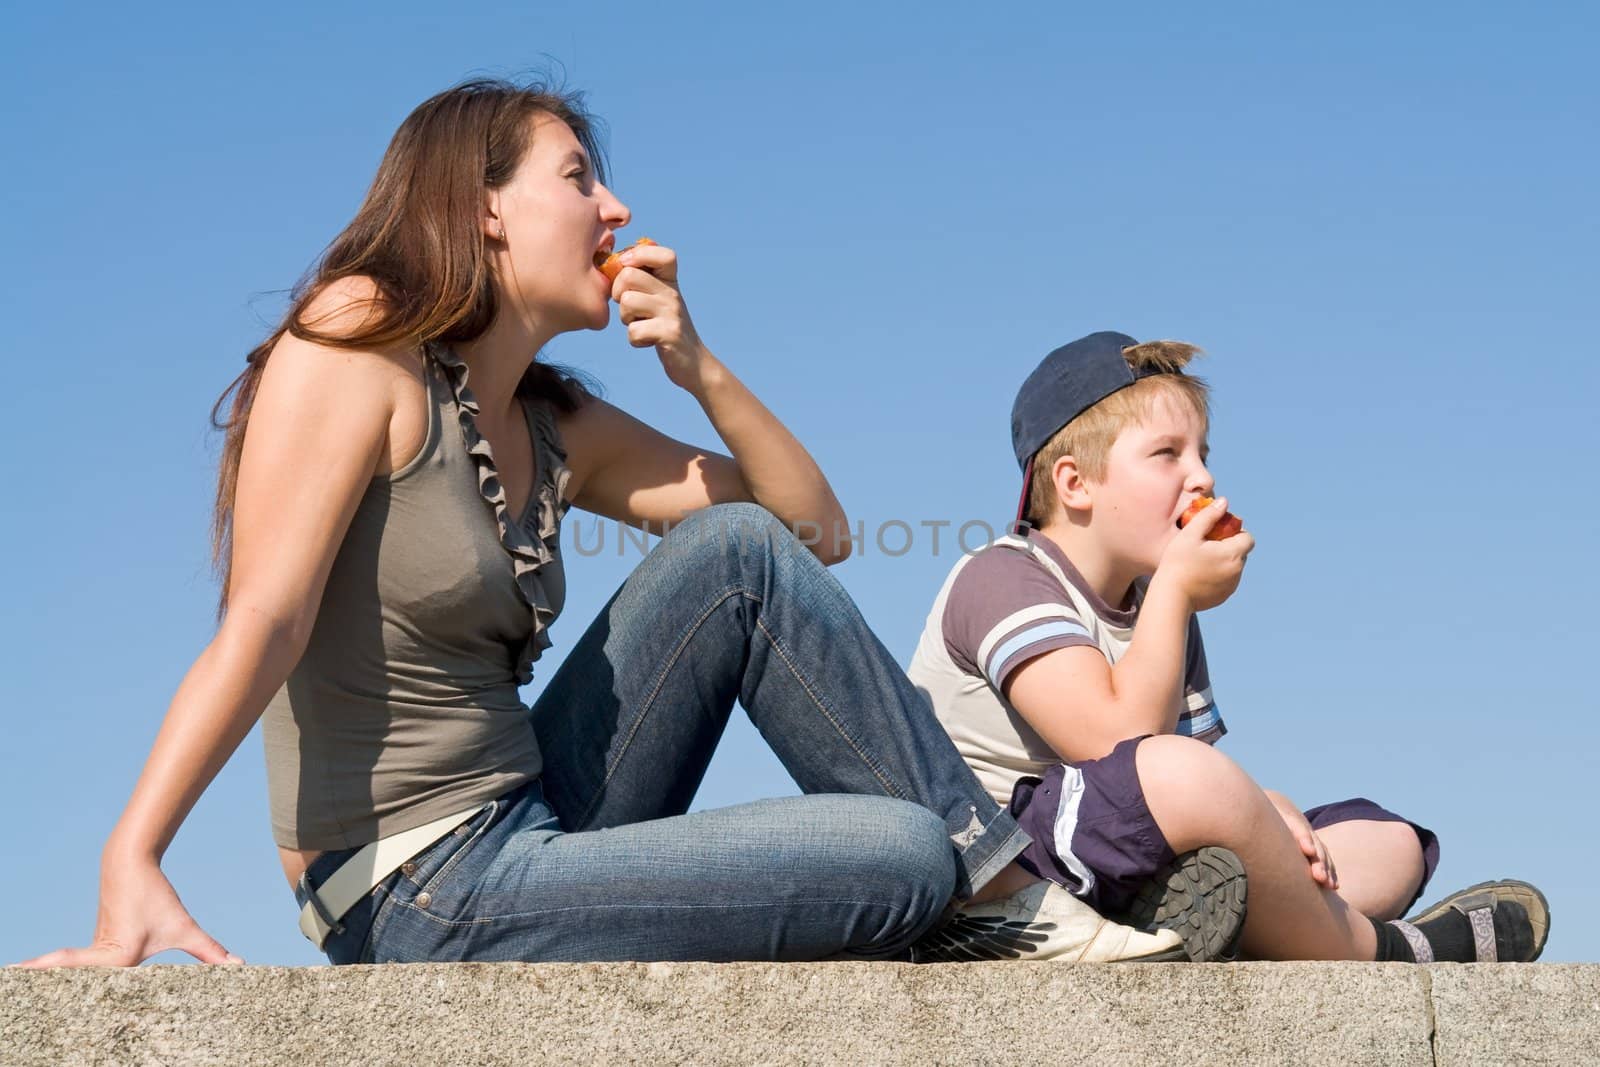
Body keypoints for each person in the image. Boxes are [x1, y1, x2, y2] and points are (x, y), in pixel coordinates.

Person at [16, 84, 1240, 970]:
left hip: (536, 815)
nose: (614, 204)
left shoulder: (559, 423)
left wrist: (699, 366)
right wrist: (135, 854)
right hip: (419, 888)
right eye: (574, 177)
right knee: (907, 855)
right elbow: (267, 618)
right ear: (481, 206)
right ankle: (988, 891)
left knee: (735, 552)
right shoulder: (360, 340)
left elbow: (811, 532)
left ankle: (1001, 895)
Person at [907, 330, 1550, 963]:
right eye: (1167, 454)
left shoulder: (1156, 598)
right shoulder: (1004, 574)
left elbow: (1182, 778)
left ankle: (1203, 916)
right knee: (1189, 779)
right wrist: (1177, 593)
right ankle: (1376, 950)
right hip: (1011, 858)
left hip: (1125, 844)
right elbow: (1118, 743)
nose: (1203, 477)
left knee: (1388, 841)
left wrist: (1264, 812)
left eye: (1203, 453)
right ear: (1076, 484)